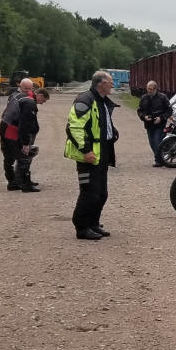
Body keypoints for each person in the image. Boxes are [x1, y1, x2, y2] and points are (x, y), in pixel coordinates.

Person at [64, 70, 119, 240]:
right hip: (89, 156)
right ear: (101, 83)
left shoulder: (101, 101)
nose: (113, 85)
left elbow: (101, 124)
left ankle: (94, 223)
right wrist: (85, 150)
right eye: (110, 82)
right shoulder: (85, 99)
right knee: (89, 192)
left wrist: (113, 133)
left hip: (102, 154)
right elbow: (74, 128)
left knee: (102, 193)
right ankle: (82, 227)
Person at [0, 86, 48, 190]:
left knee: (8, 158)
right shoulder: (29, 102)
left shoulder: (18, 95)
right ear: (40, 95)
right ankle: (25, 185)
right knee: (24, 157)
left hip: (4, 128)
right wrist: (25, 143)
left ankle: (12, 183)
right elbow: (25, 124)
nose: (42, 103)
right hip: (12, 131)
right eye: (43, 100)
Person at [137, 80, 172, 166]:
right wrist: (144, 117)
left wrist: (161, 118)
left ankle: (159, 160)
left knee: (157, 141)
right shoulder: (144, 98)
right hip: (148, 124)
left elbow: (169, 110)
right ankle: (161, 157)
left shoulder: (162, 97)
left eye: (151, 89)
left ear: (155, 89)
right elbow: (140, 110)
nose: (149, 91)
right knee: (152, 143)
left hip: (159, 124)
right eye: (148, 89)